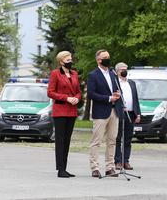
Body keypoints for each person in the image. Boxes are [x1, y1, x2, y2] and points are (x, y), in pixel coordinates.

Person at [87, 49, 123, 178]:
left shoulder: (113, 73)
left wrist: (118, 95)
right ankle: (95, 167)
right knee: (96, 141)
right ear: (98, 60)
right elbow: (91, 94)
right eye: (105, 57)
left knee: (112, 140)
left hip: (115, 110)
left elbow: (117, 89)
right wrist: (108, 98)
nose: (108, 58)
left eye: (109, 56)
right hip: (101, 111)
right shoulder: (93, 75)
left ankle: (110, 167)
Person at [47, 51, 82, 178]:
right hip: (60, 110)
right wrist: (66, 98)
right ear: (61, 61)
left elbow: (78, 91)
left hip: (71, 111)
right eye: (68, 59)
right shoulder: (55, 74)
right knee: (60, 140)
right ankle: (60, 169)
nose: (70, 61)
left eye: (71, 59)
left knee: (67, 140)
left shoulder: (74, 74)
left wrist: (77, 98)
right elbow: (50, 92)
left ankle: (64, 168)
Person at [114, 62, 141, 171]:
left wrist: (138, 113)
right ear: (117, 71)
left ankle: (126, 160)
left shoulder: (132, 83)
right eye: (122, 69)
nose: (124, 71)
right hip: (120, 113)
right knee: (118, 138)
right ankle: (118, 161)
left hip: (131, 113)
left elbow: (136, 99)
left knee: (128, 139)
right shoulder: (115, 83)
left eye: (126, 69)